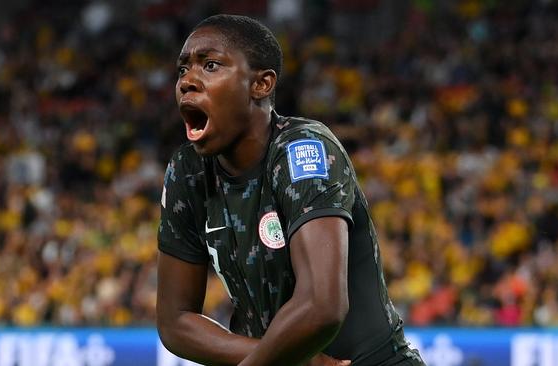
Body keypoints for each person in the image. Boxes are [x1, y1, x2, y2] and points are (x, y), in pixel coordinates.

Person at [156, 14, 426, 366]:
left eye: (210, 65)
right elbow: (175, 322)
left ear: (261, 84)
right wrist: (297, 361)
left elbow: (322, 306)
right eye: (182, 70)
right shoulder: (187, 171)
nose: (188, 81)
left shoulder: (302, 150)